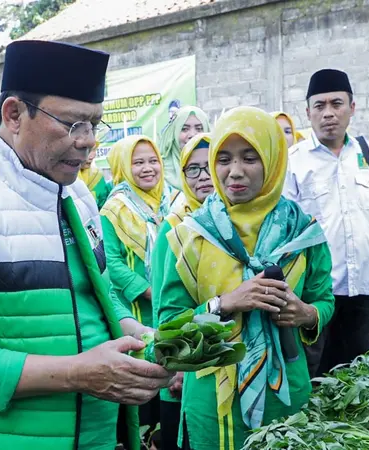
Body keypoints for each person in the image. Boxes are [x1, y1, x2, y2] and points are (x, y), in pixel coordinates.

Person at [0, 40, 171, 450]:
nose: (87, 142)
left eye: (94, 125)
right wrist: (78, 373)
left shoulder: (77, 195)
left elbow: (99, 297)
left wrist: (143, 336)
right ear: (14, 114)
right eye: (72, 124)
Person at [157, 106, 334, 450]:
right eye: (223, 159)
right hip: (213, 405)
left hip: (287, 401)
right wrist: (224, 304)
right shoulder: (188, 237)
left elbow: (324, 300)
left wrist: (307, 314)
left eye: (249, 158)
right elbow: (167, 335)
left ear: (272, 160)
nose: (234, 172)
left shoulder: (304, 233)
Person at [284, 69, 369, 377]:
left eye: (336, 104)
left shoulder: (367, 153)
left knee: (361, 376)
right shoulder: (294, 161)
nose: (328, 113)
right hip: (316, 293)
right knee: (315, 374)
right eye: (319, 105)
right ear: (307, 112)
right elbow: (283, 229)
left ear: (352, 108)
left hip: (365, 289)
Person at [100, 134, 172, 433]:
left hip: (171, 302)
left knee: (172, 371)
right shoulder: (113, 209)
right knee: (142, 373)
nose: (147, 168)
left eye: (153, 160)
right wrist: (147, 290)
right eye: (138, 162)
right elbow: (111, 262)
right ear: (123, 167)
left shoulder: (172, 200)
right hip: (134, 309)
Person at [150, 133, 213, 450]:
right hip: (183, 364)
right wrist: (175, 365)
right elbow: (164, 305)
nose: (203, 177)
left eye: (209, 166)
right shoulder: (174, 226)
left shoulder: (230, 222)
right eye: (193, 169)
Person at [159, 106, 211, 190]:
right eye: (184, 129)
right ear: (174, 133)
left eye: (199, 129)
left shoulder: (217, 164)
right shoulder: (159, 170)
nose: (192, 135)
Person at [79, 143, 111, 209]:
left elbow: (103, 207)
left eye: (94, 150)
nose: (92, 156)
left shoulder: (98, 176)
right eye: (88, 151)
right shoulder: (63, 178)